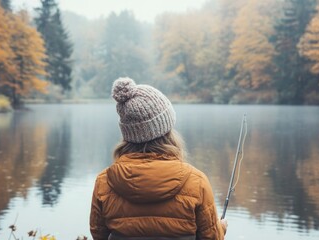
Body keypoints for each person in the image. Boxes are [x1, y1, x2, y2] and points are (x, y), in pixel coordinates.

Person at [90, 77, 227, 240]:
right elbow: (210, 238)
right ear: (167, 130)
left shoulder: (104, 182)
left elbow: (99, 235)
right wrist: (220, 229)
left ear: (128, 134)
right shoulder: (197, 182)